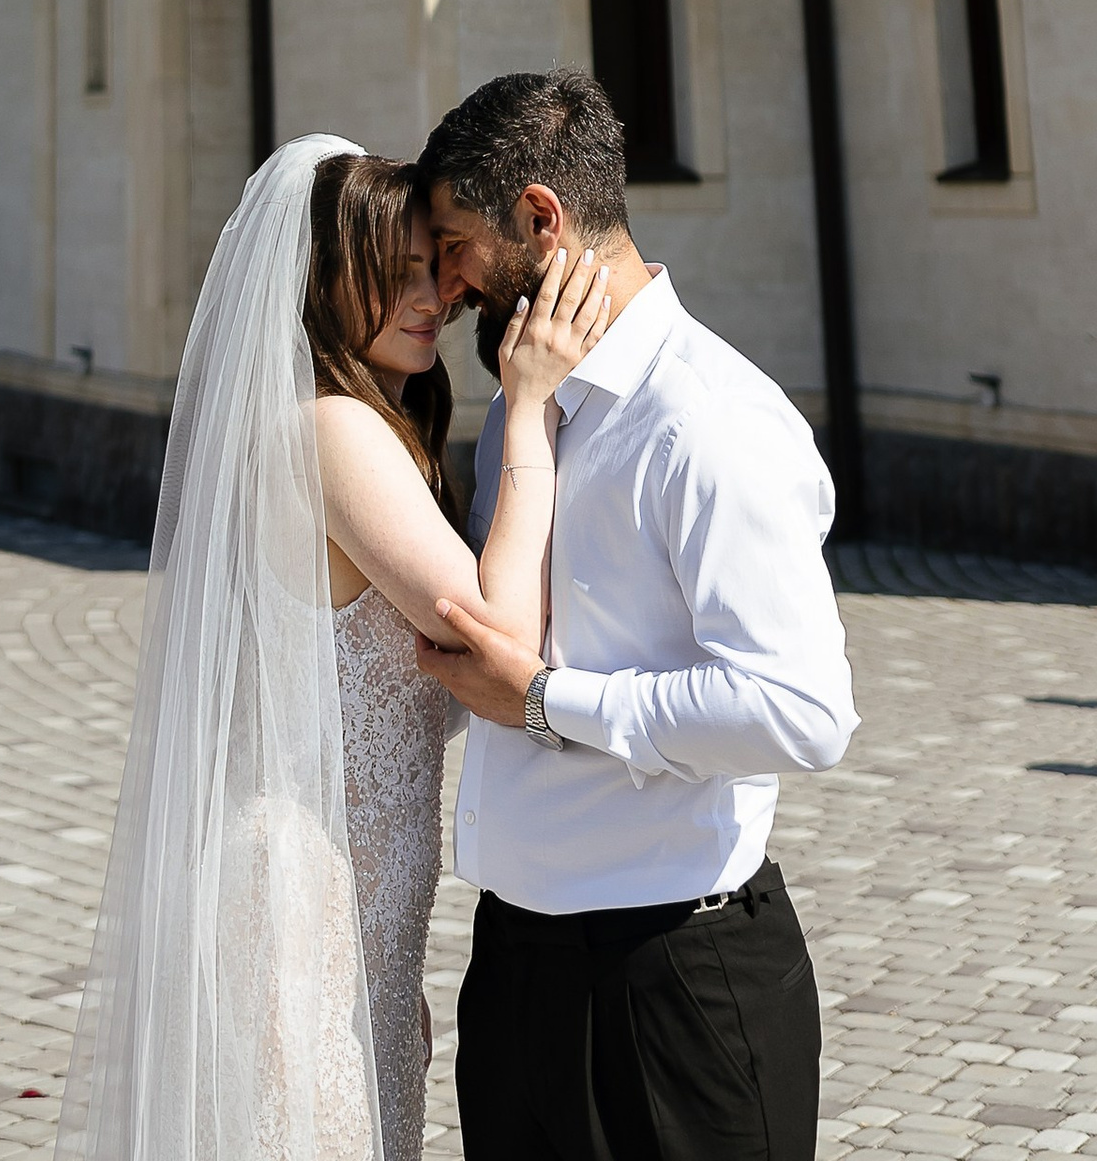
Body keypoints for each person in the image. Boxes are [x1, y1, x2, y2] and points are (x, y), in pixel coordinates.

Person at [55, 134, 612, 1161]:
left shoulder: (359, 421)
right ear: (318, 282)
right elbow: (496, 635)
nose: (431, 298)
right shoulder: (329, 430)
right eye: (392, 274)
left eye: (433, 268)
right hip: (296, 899)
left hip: (355, 913)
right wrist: (527, 407)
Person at [413, 71, 859, 1161]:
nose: (446, 279)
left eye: (454, 240)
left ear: (538, 218)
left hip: (673, 992)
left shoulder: (706, 422)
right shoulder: (527, 404)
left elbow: (800, 710)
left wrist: (543, 702)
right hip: (519, 977)